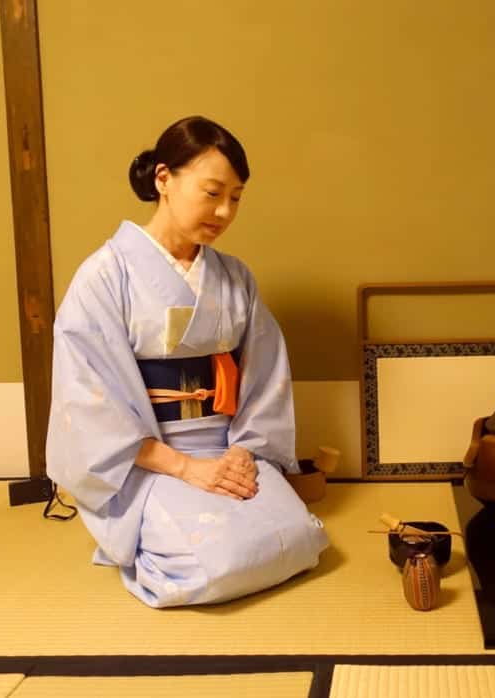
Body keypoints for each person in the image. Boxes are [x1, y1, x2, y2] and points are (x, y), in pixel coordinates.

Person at [46, 116, 329, 607]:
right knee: (215, 566)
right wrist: (183, 467)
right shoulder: (104, 275)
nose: (223, 212)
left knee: (301, 540)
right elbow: (87, 399)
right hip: (148, 458)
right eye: (212, 192)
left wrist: (245, 452)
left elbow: (264, 378)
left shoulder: (234, 276)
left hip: (229, 446)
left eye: (236, 198)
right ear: (164, 180)